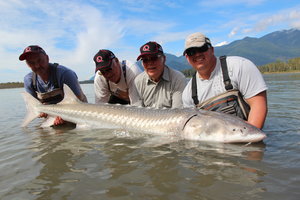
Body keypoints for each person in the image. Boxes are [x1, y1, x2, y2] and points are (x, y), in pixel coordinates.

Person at [182, 32, 268, 129]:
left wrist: (250, 140)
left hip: (248, 132)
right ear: (187, 58)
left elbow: (258, 104)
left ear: (212, 50)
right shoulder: (188, 93)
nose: (197, 54)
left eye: (202, 48)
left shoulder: (240, 66)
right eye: (191, 52)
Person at [19, 45, 87, 126]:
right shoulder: (29, 80)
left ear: (47, 58)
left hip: (79, 114)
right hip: (51, 115)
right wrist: (41, 112)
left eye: (40, 61)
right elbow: (35, 106)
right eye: (31, 63)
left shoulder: (65, 74)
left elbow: (78, 101)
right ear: (27, 64)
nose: (37, 66)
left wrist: (63, 117)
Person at [135, 41, 186, 108]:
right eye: (145, 60)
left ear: (164, 59)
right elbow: (137, 112)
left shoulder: (178, 79)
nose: (150, 63)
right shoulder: (138, 81)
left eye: (154, 58)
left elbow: (178, 112)